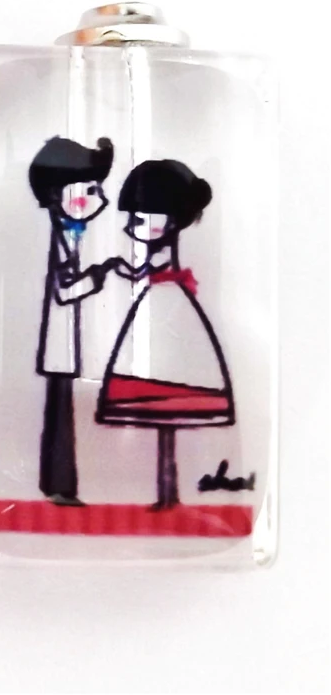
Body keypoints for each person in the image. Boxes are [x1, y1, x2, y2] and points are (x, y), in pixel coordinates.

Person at [96, 159, 234, 510]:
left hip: (166, 307)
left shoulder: (163, 264)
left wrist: (125, 270)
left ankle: (169, 494)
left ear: (170, 221)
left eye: (140, 220)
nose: (132, 228)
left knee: (167, 397)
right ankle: (166, 493)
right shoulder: (156, 260)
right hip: (160, 304)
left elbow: (151, 269)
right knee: (161, 410)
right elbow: (142, 269)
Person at [28, 137, 114, 506]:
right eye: (91, 190)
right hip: (58, 346)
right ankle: (60, 486)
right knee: (60, 416)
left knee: (60, 413)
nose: (100, 199)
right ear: (62, 194)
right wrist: (97, 277)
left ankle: (58, 485)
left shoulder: (68, 235)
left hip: (63, 344)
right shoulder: (63, 237)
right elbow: (64, 291)